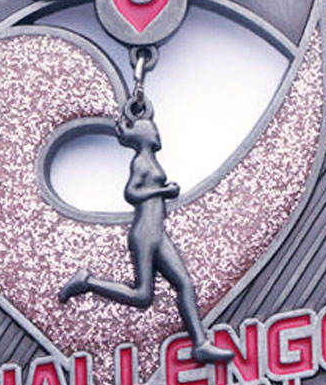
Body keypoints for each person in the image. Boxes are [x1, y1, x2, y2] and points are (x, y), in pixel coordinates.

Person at [59, 112, 233, 364]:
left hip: (157, 232)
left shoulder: (150, 160)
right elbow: (131, 193)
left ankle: (200, 344)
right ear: (142, 136)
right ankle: (87, 282)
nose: (156, 133)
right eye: (151, 129)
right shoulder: (141, 161)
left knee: (184, 283)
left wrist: (163, 191)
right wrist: (163, 190)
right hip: (145, 233)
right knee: (142, 296)